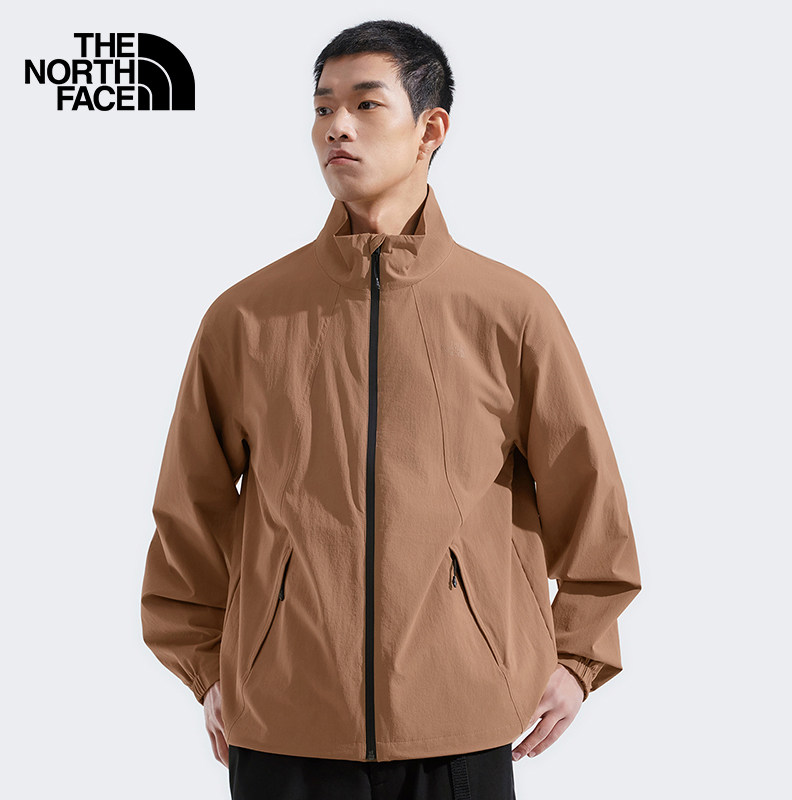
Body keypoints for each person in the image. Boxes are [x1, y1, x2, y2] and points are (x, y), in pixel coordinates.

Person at [140, 19, 642, 800]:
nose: (335, 126)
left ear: (430, 129)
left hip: (463, 726)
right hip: (283, 725)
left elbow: (592, 504)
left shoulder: (510, 311)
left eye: (365, 104)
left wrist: (579, 660)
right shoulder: (246, 318)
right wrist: (207, 670)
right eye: (321, 107)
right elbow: (189, 512)